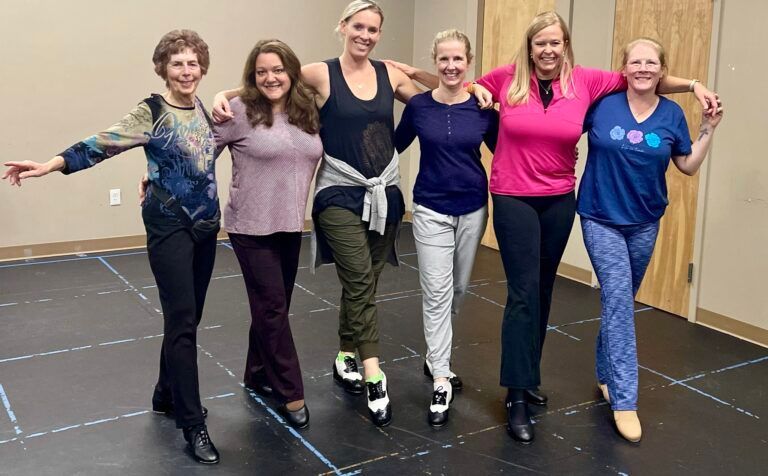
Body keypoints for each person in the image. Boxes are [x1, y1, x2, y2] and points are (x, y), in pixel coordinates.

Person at [213, 0, 486, 427]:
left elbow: (440, 98)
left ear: (379, 34)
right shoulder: (320, 73)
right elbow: (270, 81)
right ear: (342, 27)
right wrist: (220, 94)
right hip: (338, 191)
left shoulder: (390, 74)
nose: (365, 35)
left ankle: (345, 356)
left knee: (366, 284)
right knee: (359, 279)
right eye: (358, 26)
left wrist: (430, 76)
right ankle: (374, 374)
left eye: (373, 29)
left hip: (384, 195)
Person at [453, 11, 717, 443]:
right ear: (530, 47)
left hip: (559, 199)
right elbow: (465, 88)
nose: (548, 50)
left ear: (566, 45)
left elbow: (644, 78)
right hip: (513, 196)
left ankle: (530, 377)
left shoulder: (586, 82)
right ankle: (516, 394)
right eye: (541, 43)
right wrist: (475, 92)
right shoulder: (508, 77)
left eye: (556, 42)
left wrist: (693, 86)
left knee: (542, 290)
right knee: (522, 294)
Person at [3, 30, 221, 464]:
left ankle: (165, 393)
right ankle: (192, 423)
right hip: (168, 226)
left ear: (202, 67)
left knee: (189, 316)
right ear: (163, 68)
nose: (186, 71)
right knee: (181, 321)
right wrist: (51, 164)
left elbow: (200, 156)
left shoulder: (201, 108)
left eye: (193, 63)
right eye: (177, 63)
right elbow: (101, 143)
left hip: (207, 226)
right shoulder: (152, 112)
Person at [578, 37, 723, 442]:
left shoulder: (672, 115)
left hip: (644, 223)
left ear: (662, 71)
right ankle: (625, 400)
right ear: (622, 68)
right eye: (635, 62)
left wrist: (708, 130)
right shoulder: (603, 103)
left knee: (618, 301)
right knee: (621, 300)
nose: (643, 68)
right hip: (600, 217)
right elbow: (566, 128)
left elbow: (687, 165)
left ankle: (606, 374)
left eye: (652, 63)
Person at [213, 39, 322, 429]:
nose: (270, 77)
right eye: (261, 72)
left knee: (271, 307)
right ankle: (291, 393)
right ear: (252, 76)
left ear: (291, 72)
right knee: (273, 307)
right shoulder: (237, 112)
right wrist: (154, 175)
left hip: (290, 225)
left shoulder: (306, 111)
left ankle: (257, 372)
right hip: (250, 227)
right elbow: (196, 152)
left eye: (277, 70)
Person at [394, 29, 498, 427]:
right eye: (444, 60)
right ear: (434, 63)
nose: (451, 66)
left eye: (458, 59)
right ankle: (441, 375)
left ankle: (435, 354)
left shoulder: (483, 107)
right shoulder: (419, 107)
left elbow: (507, 150)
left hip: (473, 208)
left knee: (456, 291)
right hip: (430, 209)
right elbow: (390, 146)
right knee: (436, 292)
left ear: (467, 63)